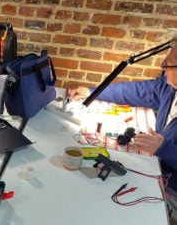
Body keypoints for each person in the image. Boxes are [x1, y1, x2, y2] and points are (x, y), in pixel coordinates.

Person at [71, 36, 177, 223]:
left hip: (171, 188)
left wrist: (166, 149)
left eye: (167, 64)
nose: (163, 68)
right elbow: (136, 91)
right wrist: (93, 92)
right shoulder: (169, 88)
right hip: (154, 168)